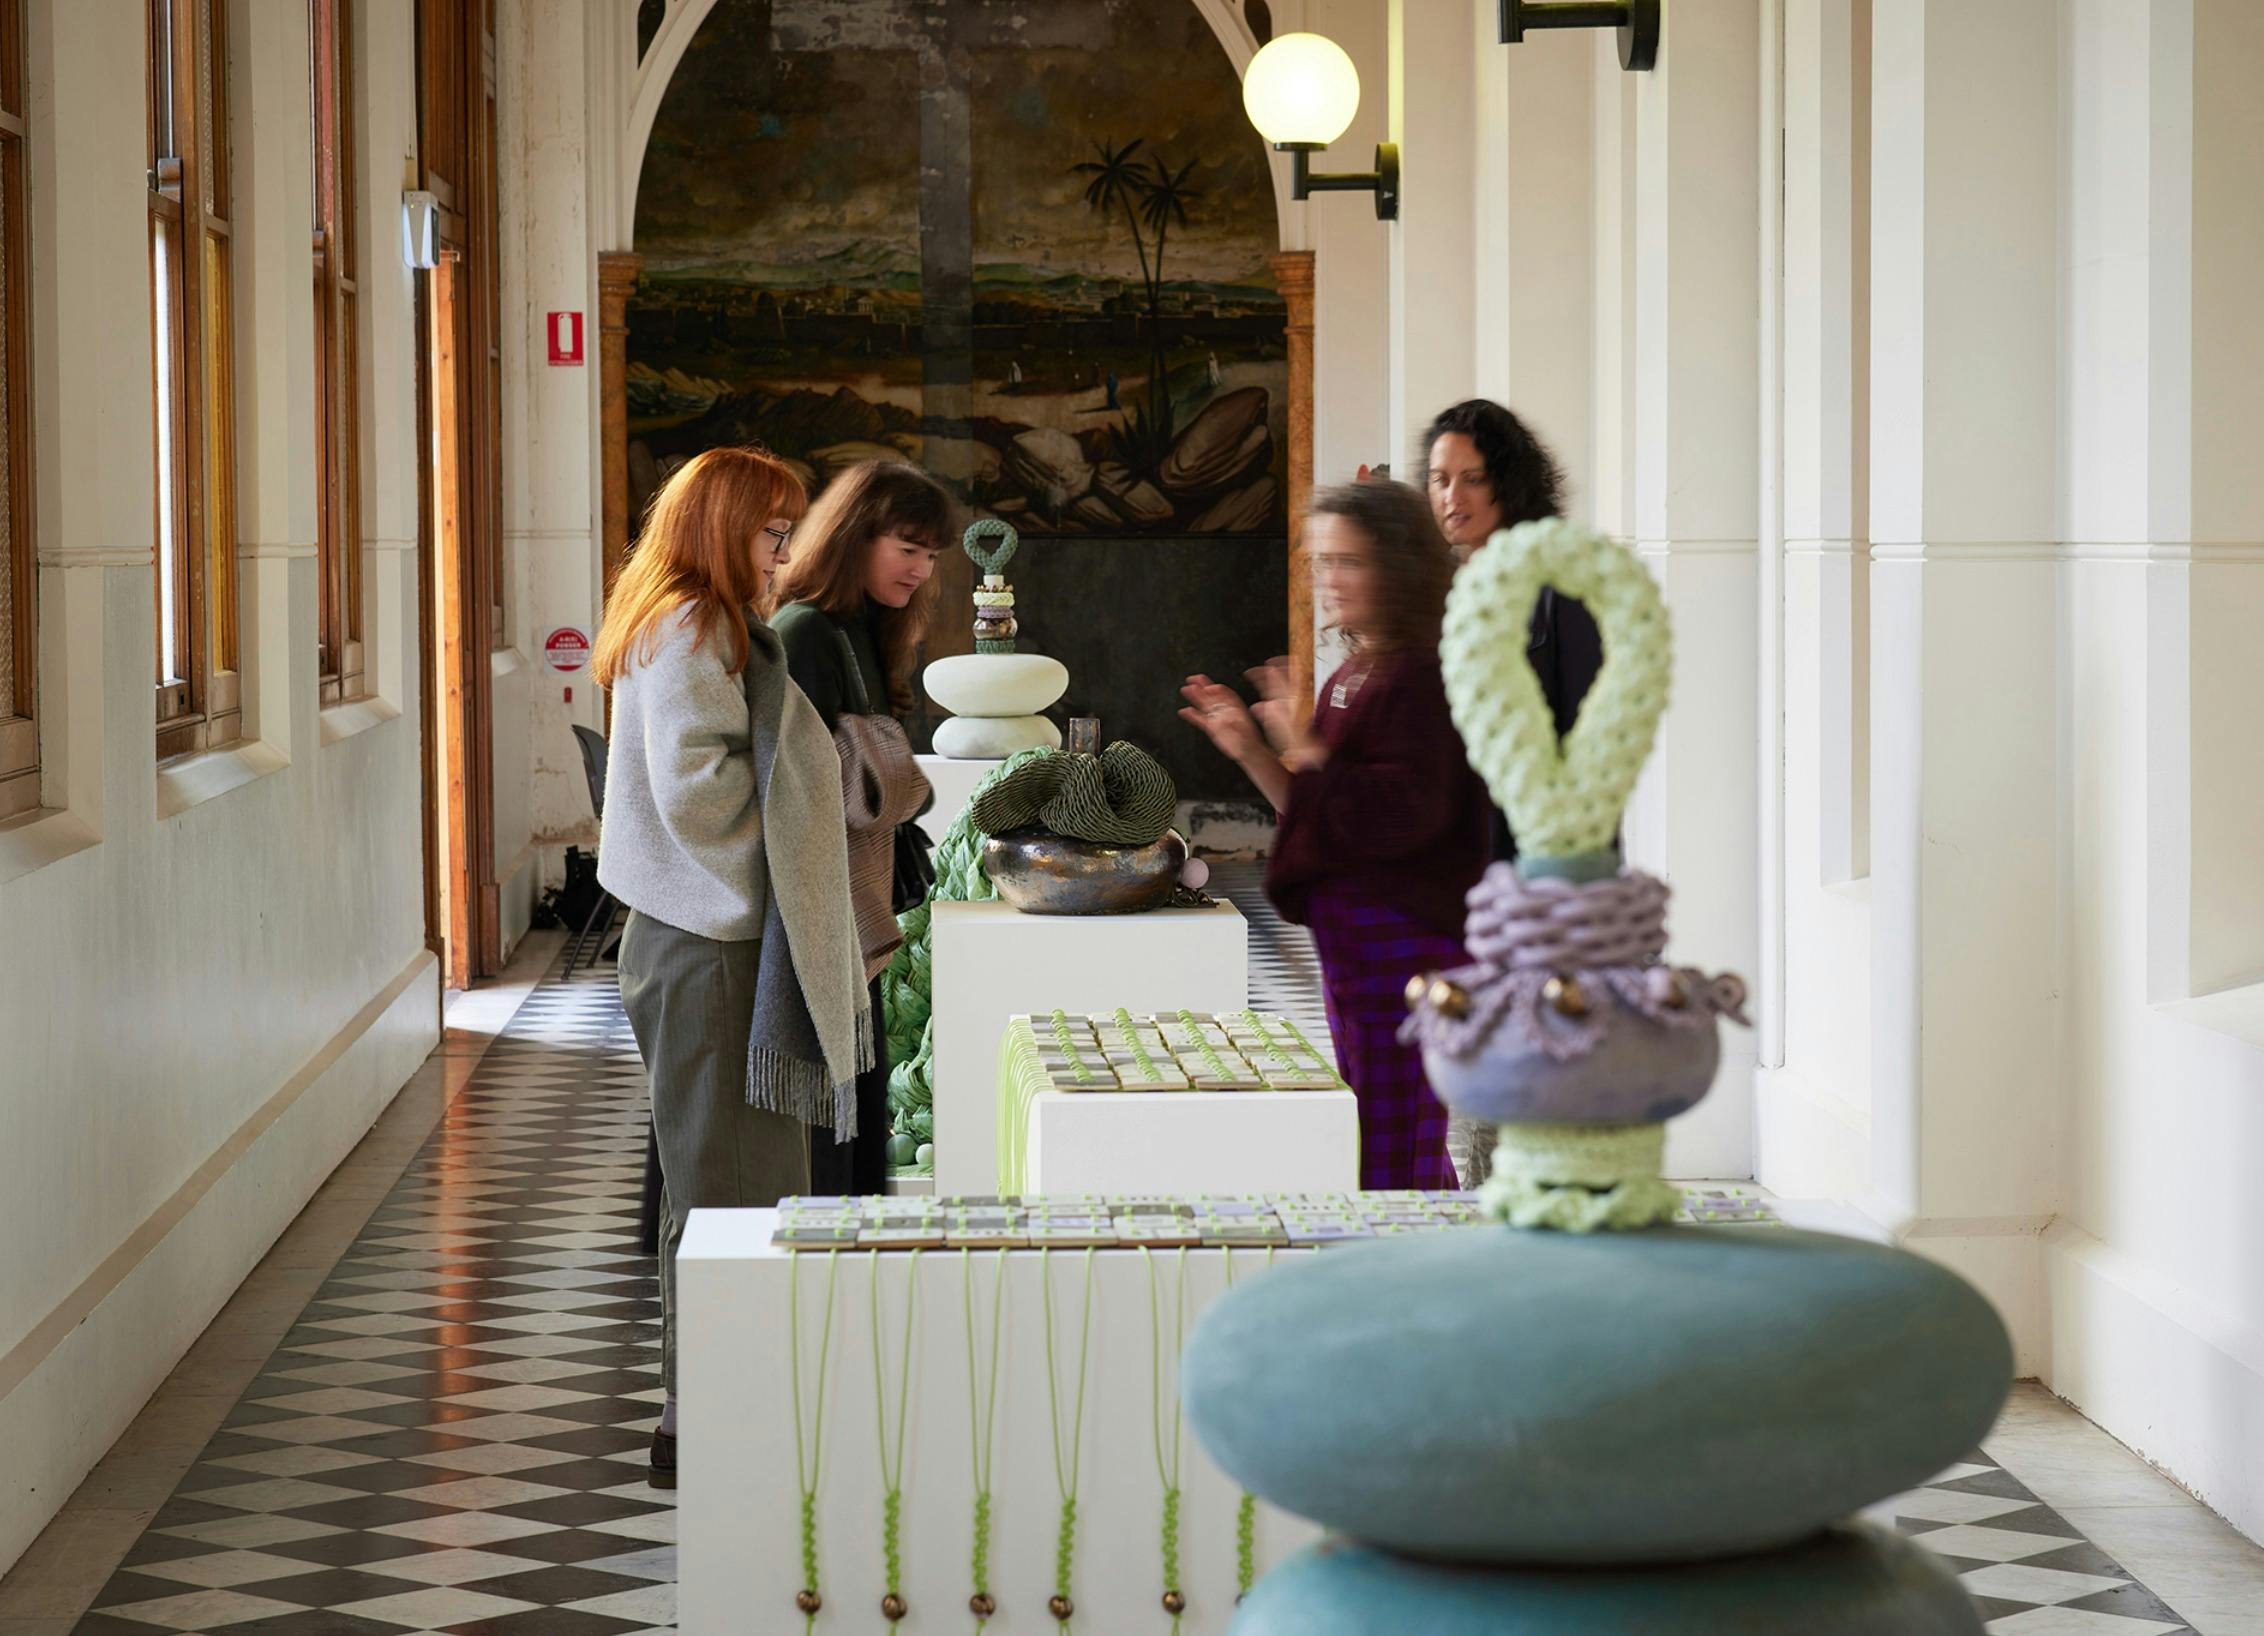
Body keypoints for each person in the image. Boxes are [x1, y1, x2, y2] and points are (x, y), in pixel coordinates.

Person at [594, 445, 870, 1490]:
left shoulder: (702, 623)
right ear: (720, 529)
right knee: (733, 1201)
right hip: (709, 945)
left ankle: (707, 1409)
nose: (785, 552)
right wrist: (818, 790)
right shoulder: (688, 625)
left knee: (723, 1191)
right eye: (771, 531)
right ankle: (722, 1423)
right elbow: (700, 797)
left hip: (711, 938)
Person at [1181, 481, 1488, 1190]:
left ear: (1402, 567)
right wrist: (1253, 751)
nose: (1330, 581)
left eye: (1350, 561)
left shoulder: (1425, 674)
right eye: (1323, 561)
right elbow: (1321, 813)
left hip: (1409, 938)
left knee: (1397, 1129)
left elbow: (1402, 816)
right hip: (1356, 943)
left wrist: (1307, 748)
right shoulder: (1355, 671)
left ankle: (1398, 1277)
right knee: (1375, 1116)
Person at [767, 460, 954, 1194]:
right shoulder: (807, 630)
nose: (921, 570)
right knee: (832, 1105)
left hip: (850, 907)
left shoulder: (857, 630)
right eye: (907, 548)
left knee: (859, 1095)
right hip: (818, 911)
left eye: (931, 555)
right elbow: (807, 786)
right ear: (853, 535)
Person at [1422, 399, 1603, 861]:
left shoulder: (1560, 590)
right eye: (1440, 479)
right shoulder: (1428, 592)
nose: (1451, 498)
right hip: (1439, 852)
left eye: (1473, 479)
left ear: (1509, 483)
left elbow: (1586, 748)